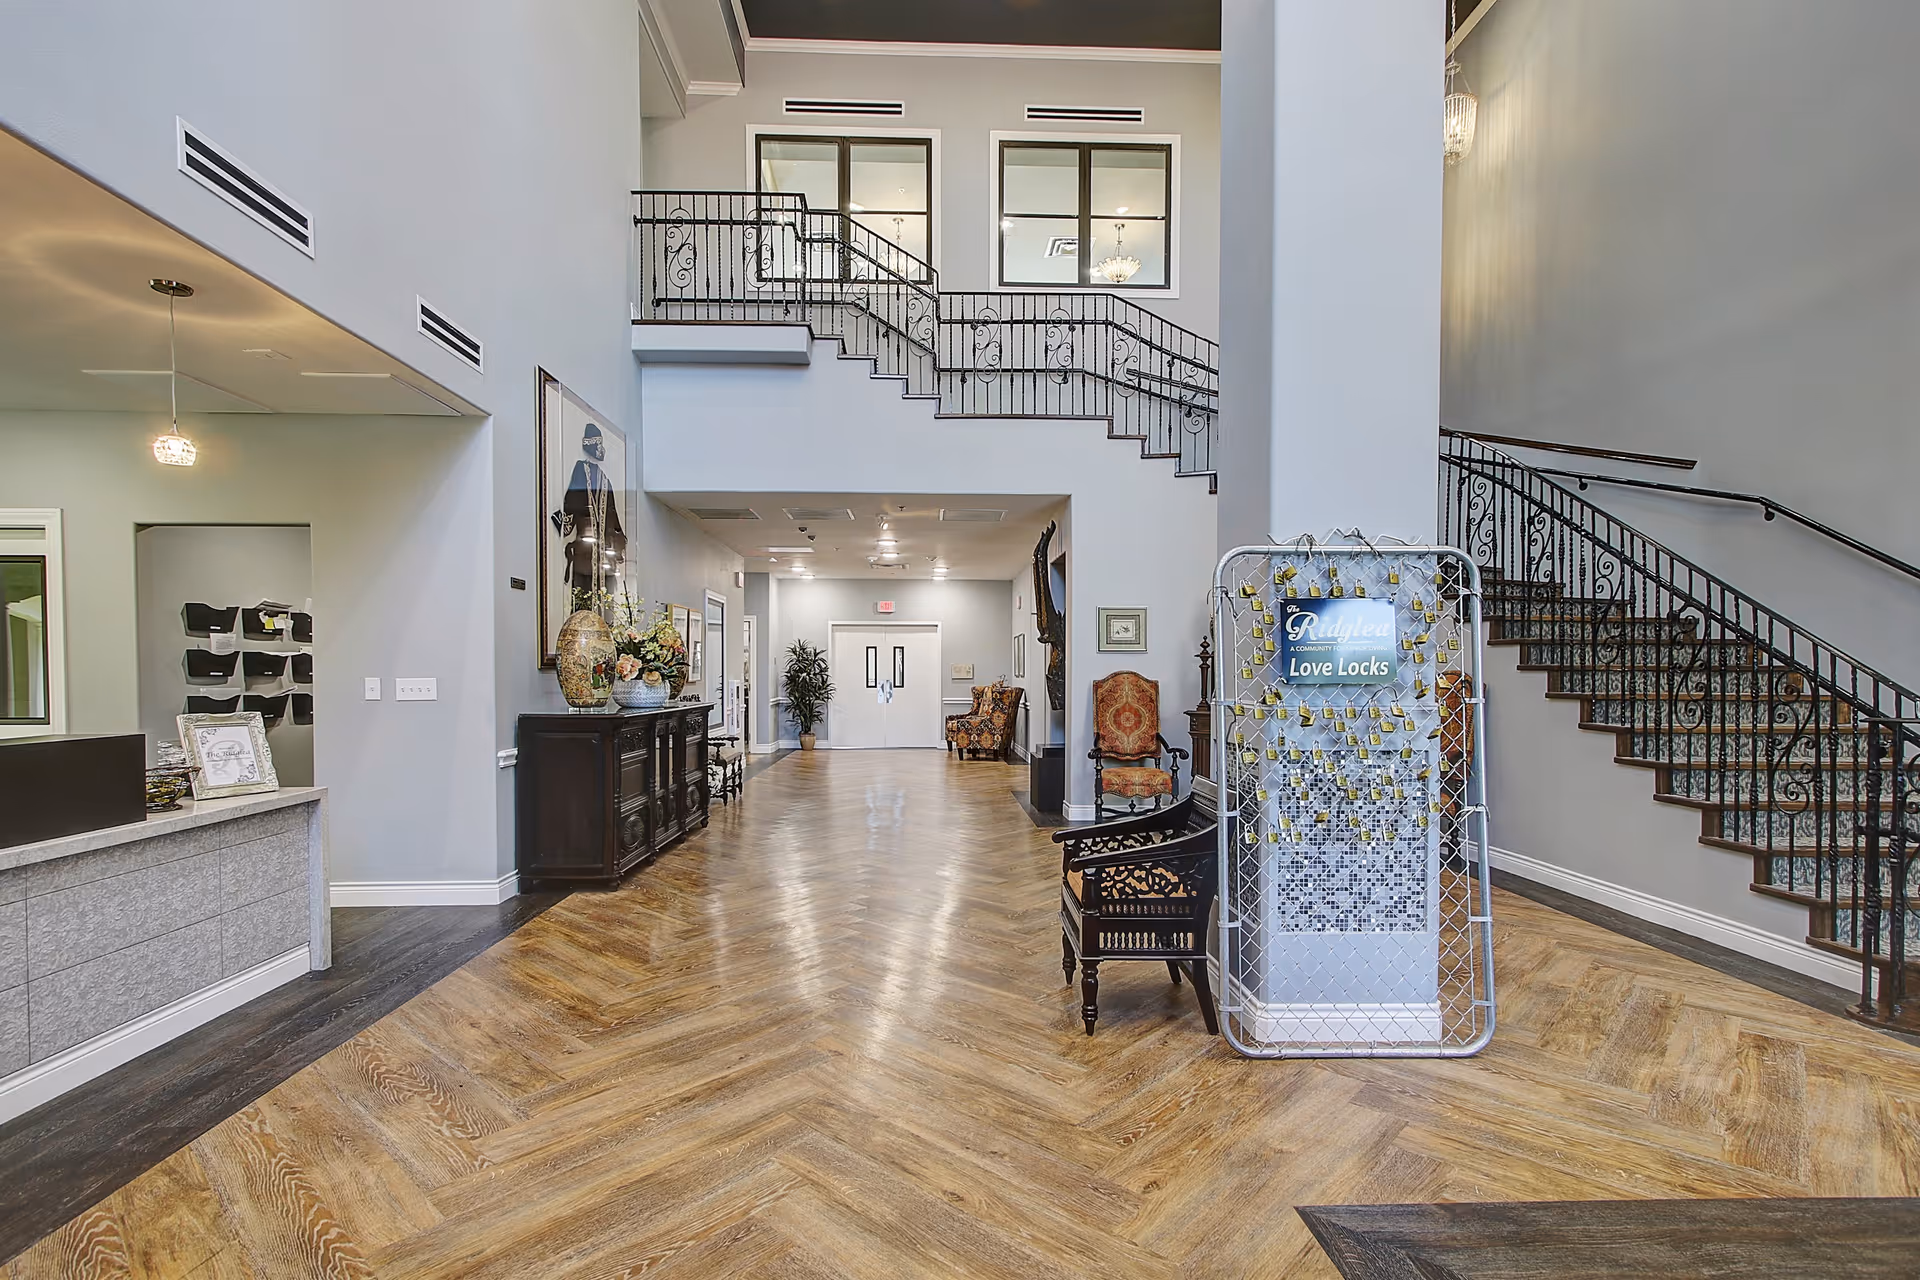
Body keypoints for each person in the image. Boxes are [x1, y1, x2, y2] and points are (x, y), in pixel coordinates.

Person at [551, 422, 626, 593]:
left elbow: (612, 515)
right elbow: (572, 503)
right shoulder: (581, 470)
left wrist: (616, 545)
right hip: (584, 553)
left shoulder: (605, 481)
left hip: (601, 557)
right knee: (583, 594)